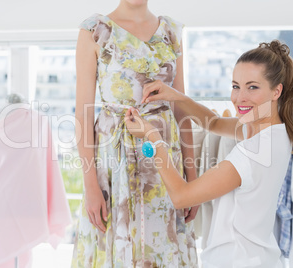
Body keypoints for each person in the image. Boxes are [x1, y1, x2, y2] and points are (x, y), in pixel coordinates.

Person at [125, 40, 293, 267]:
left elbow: (181, 196)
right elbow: (215, 123)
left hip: (236, 260)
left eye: (252, 87)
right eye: (236, 86)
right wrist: (176, 96)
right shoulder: (277, 131)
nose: (240, 98)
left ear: (277, 90)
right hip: (260, 257)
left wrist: (152, 137)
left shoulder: (251, 152)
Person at [72, 0, 198, 267]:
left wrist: (192, 177)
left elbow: (182, 109)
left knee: (162, 243)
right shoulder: (94, 31)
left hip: (165, 158)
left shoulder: (172, 32)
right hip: (113, 162)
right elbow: (83, 114)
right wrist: (91, 187)